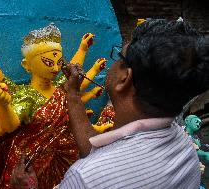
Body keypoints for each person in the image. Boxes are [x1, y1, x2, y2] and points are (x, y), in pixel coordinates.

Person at [12, 19, 209, 188]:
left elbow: (99, 167)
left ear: (125, 78)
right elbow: (95, 151)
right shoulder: (185, 149)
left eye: (119, 56)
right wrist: (72, 93)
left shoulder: (86, 178)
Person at [0, 23, 105, 189]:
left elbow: (75, 78)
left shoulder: (62, 87)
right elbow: (8, 122)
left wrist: (83, 49)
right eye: (48, 62)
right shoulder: (26, 96)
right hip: (29, 162)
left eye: (59, 62)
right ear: (27, 65)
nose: (56, 68)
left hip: (63, 156)